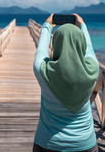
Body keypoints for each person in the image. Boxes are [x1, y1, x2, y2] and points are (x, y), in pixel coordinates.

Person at [33, 13, 99, 152]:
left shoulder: (43, 70)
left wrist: (47, 26)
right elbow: (89, 49)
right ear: (80, 43)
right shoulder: (92, 69)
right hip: (85, 143)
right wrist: (82, 26)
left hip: (48, 143)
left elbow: (41, 50)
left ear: (56, 43)